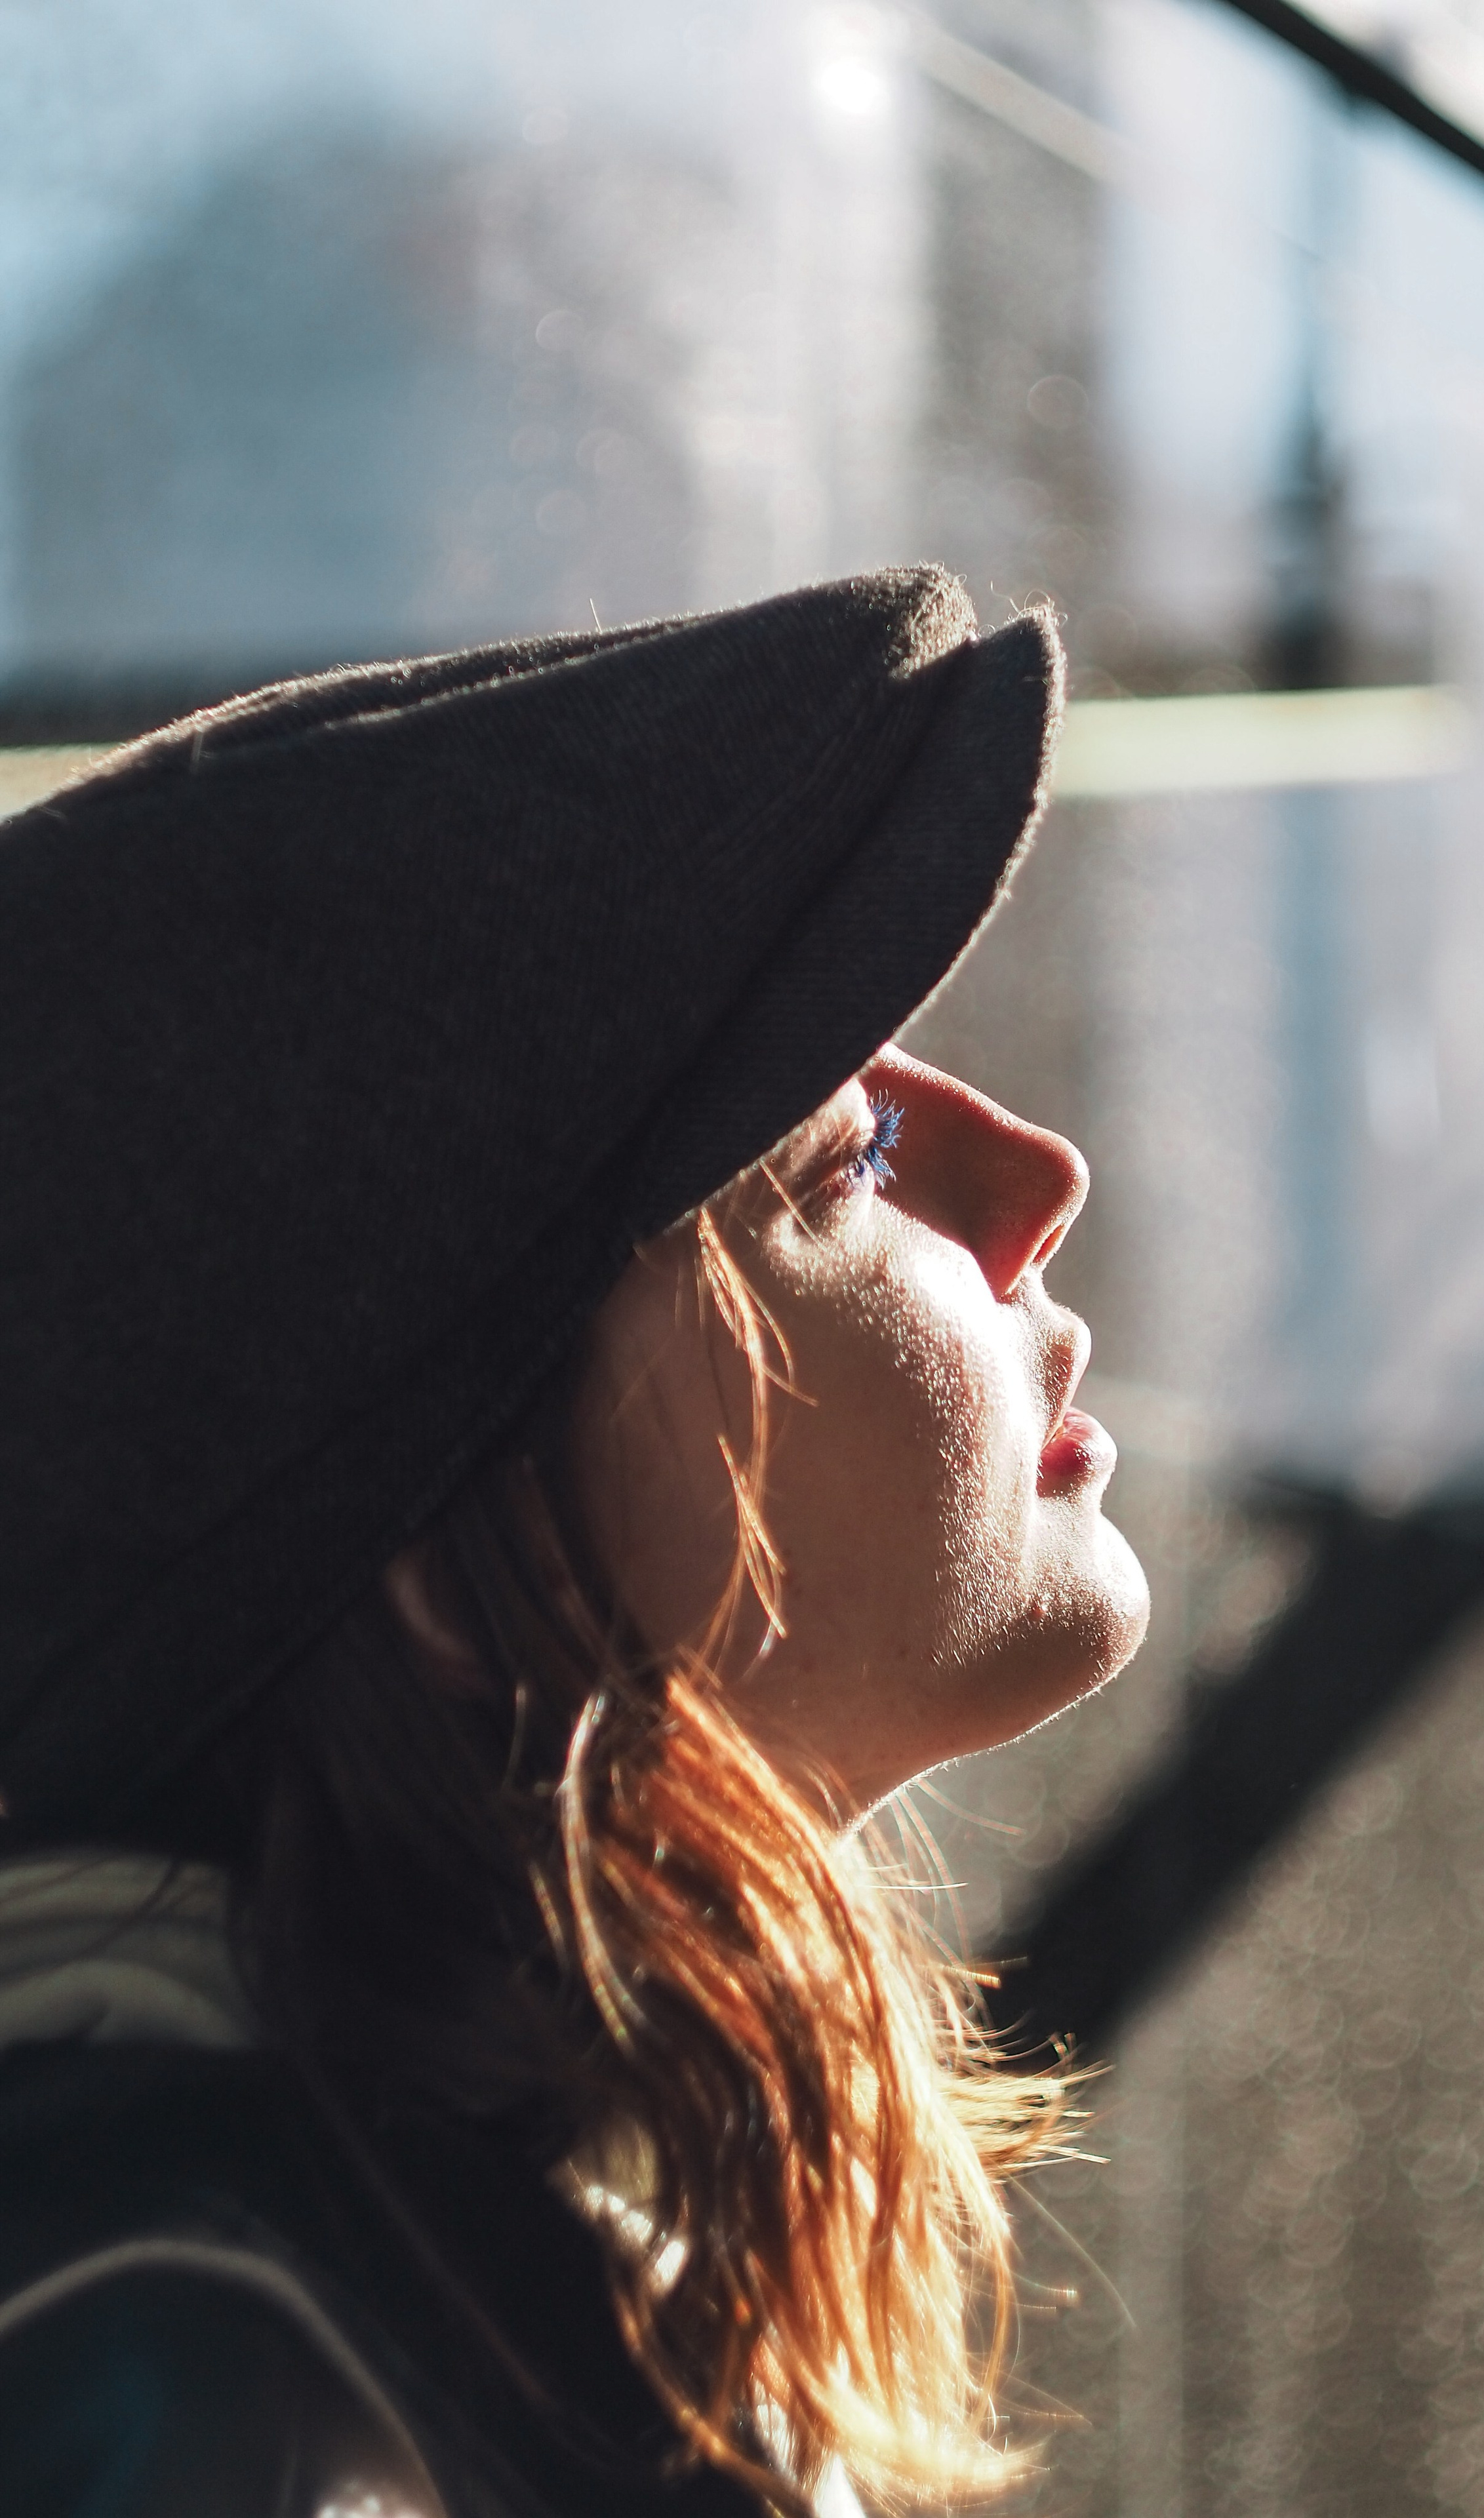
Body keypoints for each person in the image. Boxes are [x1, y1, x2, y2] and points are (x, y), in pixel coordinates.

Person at [0, 567, 1147, 2518]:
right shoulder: (206, 2377)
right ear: (450, 1563)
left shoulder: (378, 2303)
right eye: (839, 1160)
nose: (1038, 1178)